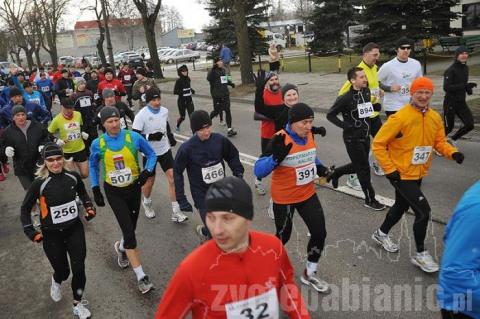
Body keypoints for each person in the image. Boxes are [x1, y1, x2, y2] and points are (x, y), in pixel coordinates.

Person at [155, 176, 310, 318]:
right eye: (211, 218)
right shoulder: (192, 270)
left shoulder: (272, 249)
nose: (217, 230)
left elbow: (288, 289)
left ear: (248, 217)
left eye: (227, 218)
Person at [371, 77, 465, 273]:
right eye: (419, 92)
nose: (423, 96)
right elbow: (378, 143)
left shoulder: (434, 117)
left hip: (418, 171)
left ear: (431, 94)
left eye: (427, 93)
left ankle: (381, 234)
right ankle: (421, 254)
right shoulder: (399, 117)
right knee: (423, 211)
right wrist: (390, 170)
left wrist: (452, 152)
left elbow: (439, 142)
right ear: (411, 94)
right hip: (401, 174)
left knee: (401, 205)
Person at [254, 103, 330, 293]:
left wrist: (323, 170)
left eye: (311, 122)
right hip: (285, 199)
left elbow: (311, 156)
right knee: (283, 236)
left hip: (307, 194)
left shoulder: (309, 134)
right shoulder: (280, 139)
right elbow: (258, 170)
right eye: (304, 122)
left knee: (319, 233)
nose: (308, 126)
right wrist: (275, 159)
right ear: (292, 122)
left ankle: (309, 273)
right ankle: (265, 266)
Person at [20, 143, 96, 319]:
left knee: (79, 269)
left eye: (58, 158)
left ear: (63, 158)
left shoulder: (73, 177)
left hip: (74, 229)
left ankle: (77, 304)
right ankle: (56, 280)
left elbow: (83, 194)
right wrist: (31, 232)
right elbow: (25, 209)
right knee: (63, 272)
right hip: (51, 234)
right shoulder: (39, 183)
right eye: (51, 160)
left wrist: (89, 206)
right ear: (45, 162)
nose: (55, 163)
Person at [89, 106, 156, 294]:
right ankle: (142, 277)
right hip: (114, 192)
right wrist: (95, 188)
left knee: (131, 229)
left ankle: (120, 247)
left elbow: (151, 154)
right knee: (130, 233)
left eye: (116, 120)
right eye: (110, 121)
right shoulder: (98, 144)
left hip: (133, 189)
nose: (114, 124)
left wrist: (147, 171)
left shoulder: (132, 137)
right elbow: (93, 165)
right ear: (103, 124)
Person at [173, 110, 244, 240]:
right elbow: (177, 172)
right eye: (201, 129)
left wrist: (238, 173)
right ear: (194, 130)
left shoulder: (219, 140)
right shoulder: (187, 148)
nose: (206, 132)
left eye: (208, 127)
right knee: (217, 232)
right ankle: (211, 243)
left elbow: (232, 155)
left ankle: (205, 231)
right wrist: (181, 198)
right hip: (201, 194)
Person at [326, 67, 385, 210]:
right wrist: (345, 126)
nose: (365, 79)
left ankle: (336, 172)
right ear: (353, 81)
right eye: (361, 77)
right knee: (363, 168)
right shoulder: (345, 98)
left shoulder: (366, 91)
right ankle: (370, 199)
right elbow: (330, 115)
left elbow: (363, 109)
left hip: (365, 135)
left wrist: (374, 106)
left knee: (359, 164)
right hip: (352, 138)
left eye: (365, 76)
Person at [132, 87, 188, 222]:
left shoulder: (164, 111)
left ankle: (176, 211)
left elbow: (165, 123)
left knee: (173, 178)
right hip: (149, 153)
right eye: (153, 100)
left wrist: (170, 135)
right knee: (150, 181)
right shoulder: (141, 115)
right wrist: (150, 136)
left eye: (158, 99)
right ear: (147, 101)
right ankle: (146, 202)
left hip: (164, 150)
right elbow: (135, 136)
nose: (157, 102)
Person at [338, 42, 384, 191]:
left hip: (374, 114)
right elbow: (343, 95)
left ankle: (375, 164)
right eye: (374, 55)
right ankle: (353, 177)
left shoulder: (374, 68)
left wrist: (379, 91)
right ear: (365, 54)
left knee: (382, 142)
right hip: (364, 117)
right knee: (365, 149)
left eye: (378, 54)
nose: (377, 57)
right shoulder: (359, 71)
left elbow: (372, 88)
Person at [437, 180, 480, 319]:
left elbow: (448, 234)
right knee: (422, 213)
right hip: (466, 309)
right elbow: (456, 274)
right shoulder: (477, 208)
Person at [1, 105, 49, 190]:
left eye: (23, 114)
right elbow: (3, 145)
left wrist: (43, 144)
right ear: (13, 117)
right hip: (21, 168)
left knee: (42, 189)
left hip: (38, 165)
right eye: (17, 115)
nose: (21, 117)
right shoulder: (7, 132)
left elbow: (47, 137)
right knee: (30, 192)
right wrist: (6, 149)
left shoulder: (37, 126)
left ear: (26, 115)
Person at [253, 70, 283, 196]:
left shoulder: (283, 93)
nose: (274, 81)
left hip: (281, 133)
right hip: (267, 133)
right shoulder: (264, 94)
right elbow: (256, 114)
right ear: (266, 83)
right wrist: (273, 117)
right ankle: (258, 180)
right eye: (271, 80)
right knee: (266, 158)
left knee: (282, 158)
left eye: (276, 79)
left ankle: (281, 183)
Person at [378, 37, 422, 117]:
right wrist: (389, 88)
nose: (406, 50)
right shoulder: (388, 66)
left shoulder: (416, 64)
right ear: (396, 50)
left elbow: (420, 82)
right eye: (403, 48)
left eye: (408, 48)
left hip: (411, 104)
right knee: (398, 129)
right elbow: (376, 82)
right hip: (393, 105)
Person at [443, 46, 476, 146]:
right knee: (449, 127)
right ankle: (437, 144)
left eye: (466, 53)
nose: (464, 55)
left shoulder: (466, 68)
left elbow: (462, 83)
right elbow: (447, 87)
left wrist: (468, 89)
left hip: (461, 102)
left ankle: (452, 140)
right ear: (457, 55)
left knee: (470, 125)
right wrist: (464, 86)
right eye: (462, 53)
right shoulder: (450, 70)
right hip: (450, 103)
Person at [48, 98, 89, 178]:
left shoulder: (78, 114)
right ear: (61, 107)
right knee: (73, 176)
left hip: (80, 149)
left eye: (71, 108)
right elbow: (48, 133)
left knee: (85, 174)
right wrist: (56, 140)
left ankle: (78, 181)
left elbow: (81, 125)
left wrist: (82, 132)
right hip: (67, 151)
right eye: (66, 108)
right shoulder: (57, 119)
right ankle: (76, 184)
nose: (69, 110)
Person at [207, 57, 237, 137]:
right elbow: (208, 78)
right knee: (216, 111)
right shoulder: (212, 71)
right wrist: (213, 69)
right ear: (216, 63)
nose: (221, 62)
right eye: (219, 61)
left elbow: (224, 80)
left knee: (227, 110)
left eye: (221, 61)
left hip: (225, 94)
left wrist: (230, 83)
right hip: (217, 95)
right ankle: (207, 121)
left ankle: (229, 129)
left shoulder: (223, 70)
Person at [71, 78, 97, 153]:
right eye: (80, 84)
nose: (82, 85)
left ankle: (96, 151)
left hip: (90, 118)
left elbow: (93, 103)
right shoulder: (74, 95)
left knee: (94, 136)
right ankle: (86, 152)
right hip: (81, 120)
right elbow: (73, 109)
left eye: (83, 84)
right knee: (84, 137)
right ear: (77, 85)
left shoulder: (89, 93)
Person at [173, 64, 195, 132]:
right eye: (183, 71)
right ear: (180, 72)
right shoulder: (178, 81)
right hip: (181, 101)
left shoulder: (188, 79)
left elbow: (188, 87)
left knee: (192, 116)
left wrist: (191, 90)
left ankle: (193, 130)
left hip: (189, 100)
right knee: (183, 117)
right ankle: (178, 124)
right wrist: (183, 92)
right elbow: (175, 91)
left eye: (186, 71)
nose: (185, 72)